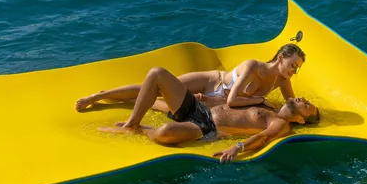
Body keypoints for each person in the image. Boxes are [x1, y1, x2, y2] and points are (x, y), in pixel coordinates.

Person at [98, 66, 320, 163]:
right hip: (201, 109)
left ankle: (141, 129)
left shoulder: (280, 124)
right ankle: (129, 121)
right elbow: (230, 103)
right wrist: (208, 99)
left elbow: (264, 138)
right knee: (158, 74)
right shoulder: (267, 103)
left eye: (306, 105)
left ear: (300, 119)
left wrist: (237, 147)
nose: (302, 99)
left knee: (165, 132)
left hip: (206, 128)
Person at [76, 44, 306, 111]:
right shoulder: (253, 66)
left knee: (166, 103)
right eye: (292, 65)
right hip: (211, 81)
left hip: (212, 102)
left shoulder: (283, 81)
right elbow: (232, 101)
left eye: (297, 68)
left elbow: (289, 106)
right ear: (279, 58)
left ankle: (124, 102)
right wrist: (261, 101)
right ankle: (100, 95)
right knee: (156, 87)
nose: (294, 71)